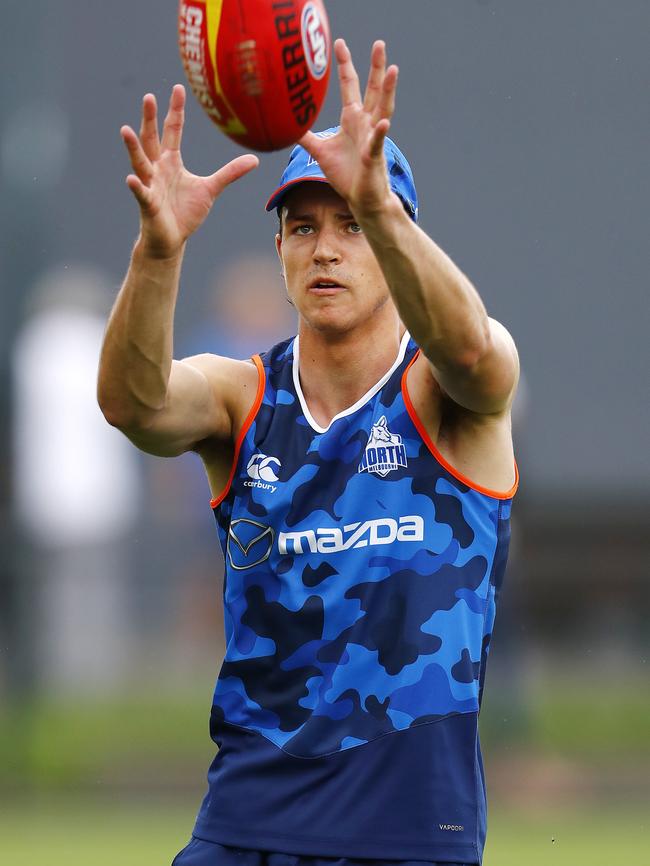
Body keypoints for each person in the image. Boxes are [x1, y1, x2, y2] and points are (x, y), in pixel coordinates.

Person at [98, 38, 519, 866]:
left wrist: (386, 211)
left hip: (408, 839)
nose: (325, 247)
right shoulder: (242, 397)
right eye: (303, 227)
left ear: (397, 247)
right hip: (245, 828)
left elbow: (473, 351)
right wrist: (158, 251)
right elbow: (133, 404)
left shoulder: (446, 393)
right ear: (281, 251)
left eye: (353, 225)